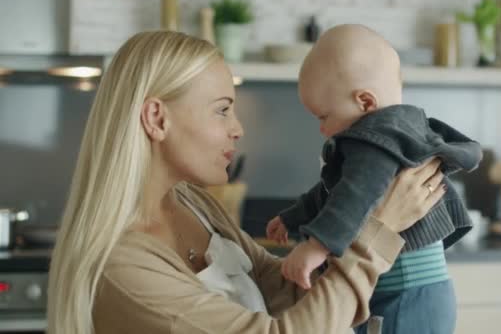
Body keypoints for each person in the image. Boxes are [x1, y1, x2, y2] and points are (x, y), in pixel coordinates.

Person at [46, 30, 447, 334]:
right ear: (157, 119)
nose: (237, 129)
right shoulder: (123, 268)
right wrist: (377, 234)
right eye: (222, 111)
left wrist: (347, 229)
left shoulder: (194, 205)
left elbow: (281, 288)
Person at [265, 24, 483, 334]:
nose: (322, 130)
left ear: (365, 102)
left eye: (323, 117)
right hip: (418, 292)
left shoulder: (375, 139)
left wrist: (315, 247)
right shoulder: (398, 131)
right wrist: (295, 215)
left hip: (403, 294)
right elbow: (338, 190)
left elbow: (352, 196)